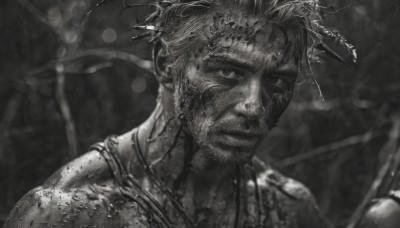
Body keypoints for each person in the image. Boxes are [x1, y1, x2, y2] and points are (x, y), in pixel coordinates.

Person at [4, 0, 356, 227]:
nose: (254, 106)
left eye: (278, 82)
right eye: (229, 72)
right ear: (165, 63)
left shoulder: (290, 211)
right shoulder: (67, 213)